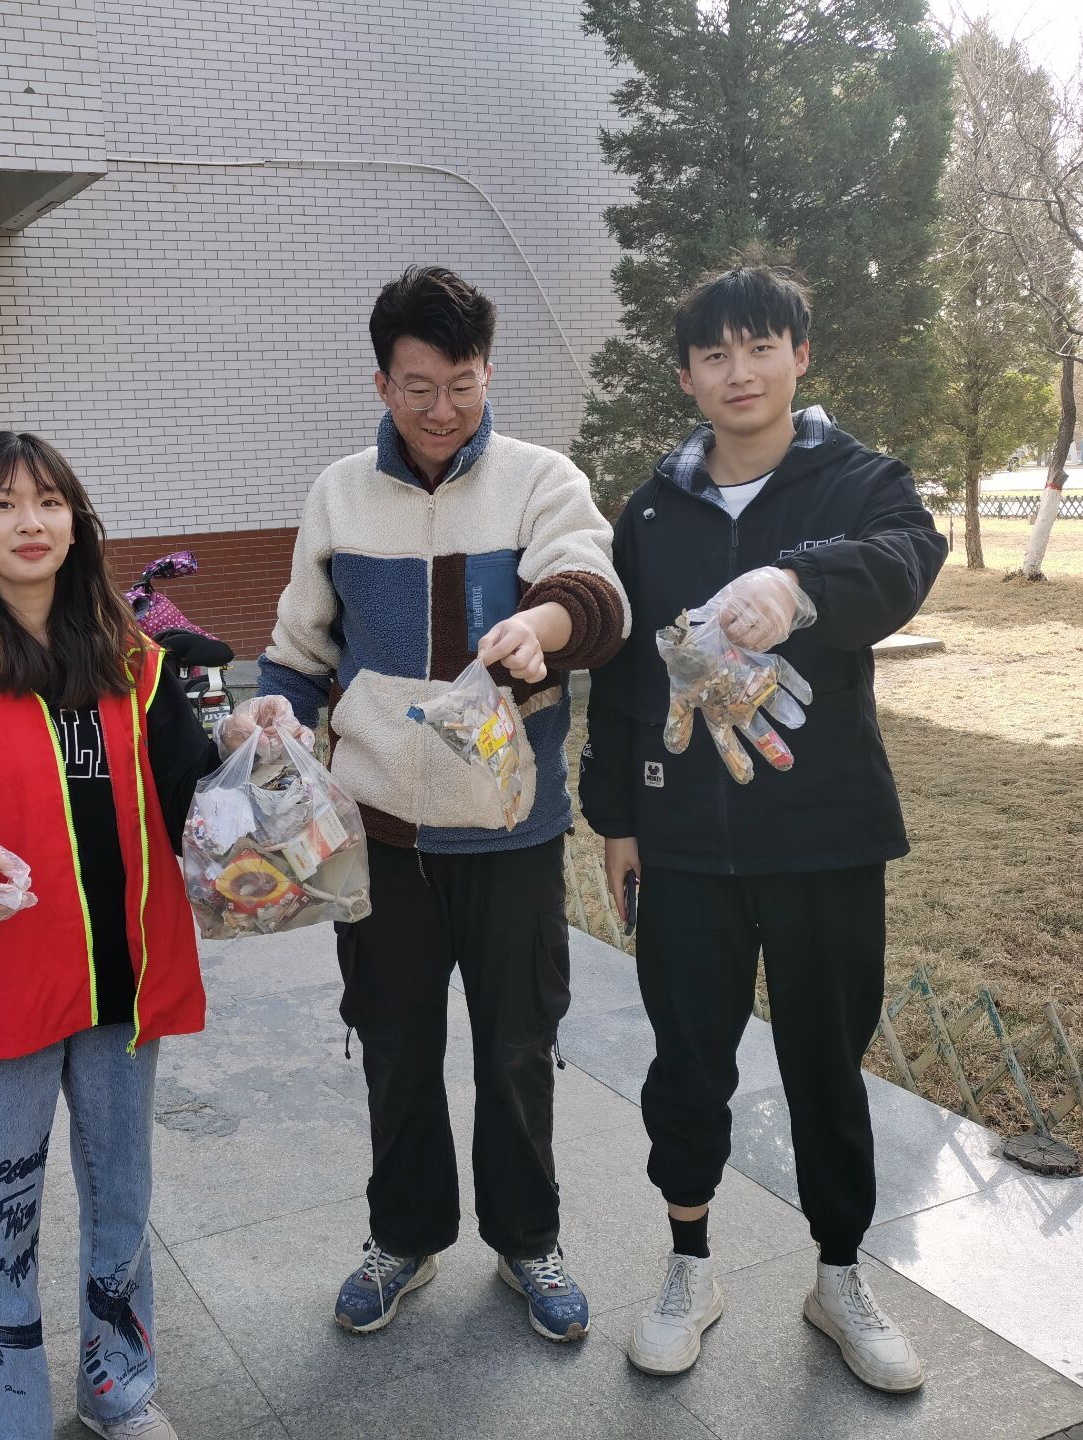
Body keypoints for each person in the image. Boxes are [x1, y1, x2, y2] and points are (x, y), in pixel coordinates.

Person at [237, 265, 628, 1343]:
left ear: (487, 373)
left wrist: (541, 628)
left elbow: (595, 595)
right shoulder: (337, 496)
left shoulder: (541, 479)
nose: (442, 409)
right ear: (382, 383)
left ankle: (528, 1240)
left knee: (518, 1047)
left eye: (462, 384)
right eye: (418, 387)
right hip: (382, 841)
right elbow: (296, 652)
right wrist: (271, 714)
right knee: (396, 1046)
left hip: (510, 833)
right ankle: (403, 1237)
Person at [579, 257, 947, 1393]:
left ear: (800, 355)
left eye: (760, 346)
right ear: (687, 376)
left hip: (825, 834)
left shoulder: (860, 482)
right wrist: (617, 818)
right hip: (684, 840)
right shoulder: (653, 509)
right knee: (688, 1059)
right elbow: (623, 678)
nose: (739, 371)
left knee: (826, 1060)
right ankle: (689, 1265)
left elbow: (907, 560)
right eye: (714, 353)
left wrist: (799, 584)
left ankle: (839, 1276)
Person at [0, 431, 215, 1440]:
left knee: (121, 1209)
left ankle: (120, 1389)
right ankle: (1, 1419)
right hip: (2, 995)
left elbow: (190, 795)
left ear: (76, 524)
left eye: (50, 503)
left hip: (119, 990)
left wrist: (249, 746)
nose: (31, 523)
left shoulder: (133, 664)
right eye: (4, 504)